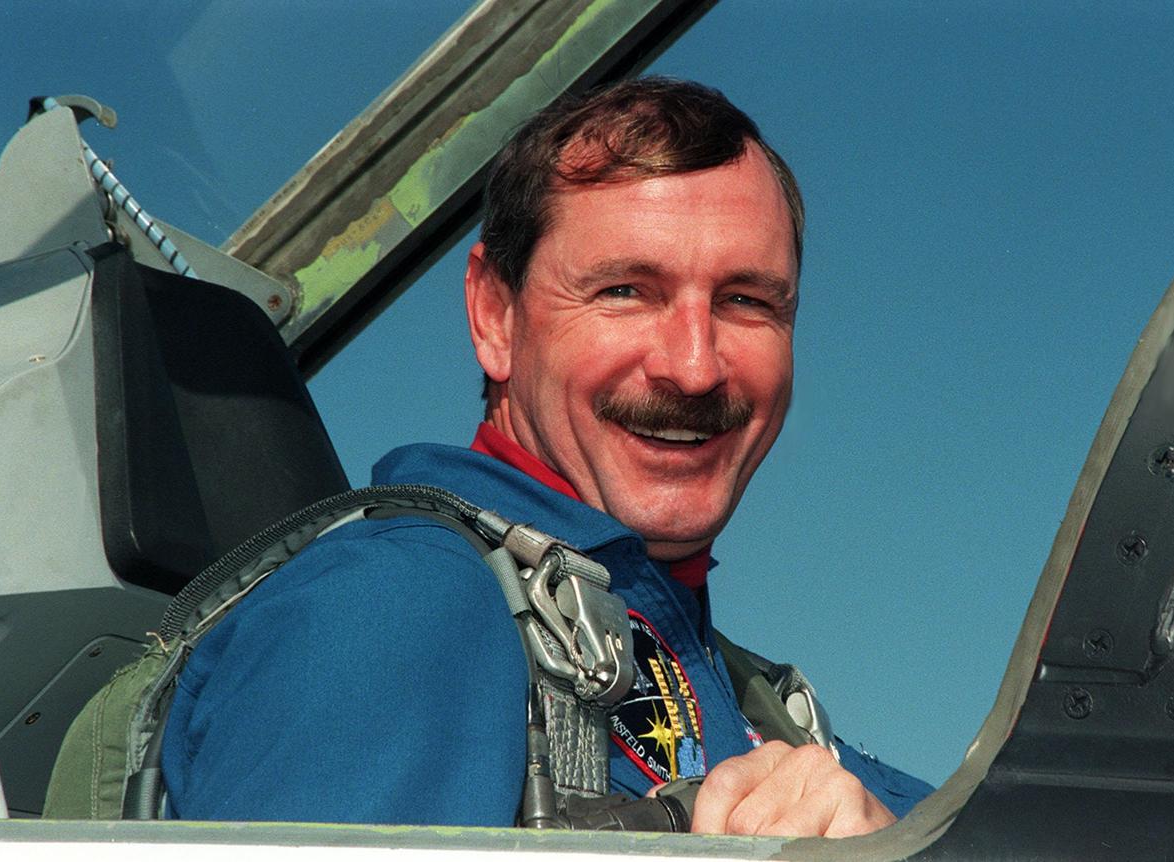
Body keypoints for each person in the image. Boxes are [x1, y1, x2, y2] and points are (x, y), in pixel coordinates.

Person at [161, 77, 932, 837]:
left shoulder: (760, 712)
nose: (695, 367)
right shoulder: (400, 610)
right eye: (626, 291)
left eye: (747, 302)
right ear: (494, 315)